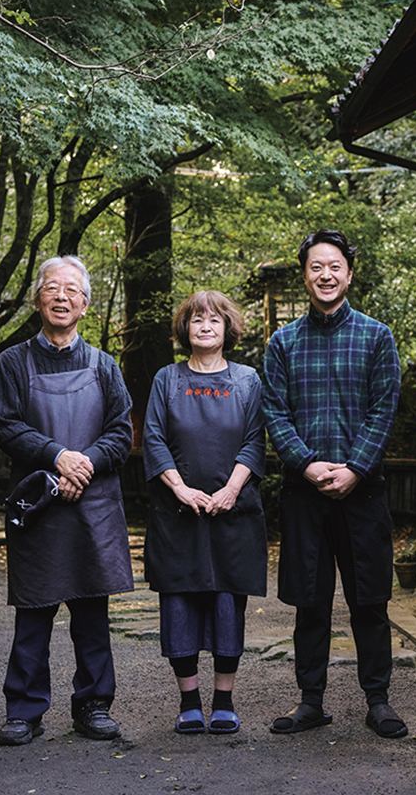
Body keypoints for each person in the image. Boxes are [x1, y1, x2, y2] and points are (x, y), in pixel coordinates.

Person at [262, 229, 407, 739]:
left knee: (370, 599)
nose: (325, 274)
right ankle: (311, 701)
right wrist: (306, 464)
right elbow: (274, 413)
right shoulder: (283, 342)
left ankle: (379, 700)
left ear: (349, 273)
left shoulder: (376, 336)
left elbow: (384, 408)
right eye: (315, 267)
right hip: (305, 495)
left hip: (362, 492)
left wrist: (354, 468)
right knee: (310, 600)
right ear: (305, 275)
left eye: (334, 266)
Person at [0, 255, 134, 746]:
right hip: (38, 507)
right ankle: (24, 712)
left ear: (86, 305)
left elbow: (121, 432)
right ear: (38, 299)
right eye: (52, 288)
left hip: (92, 504)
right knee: (34, 610)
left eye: (72, 290)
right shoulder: (12, 362)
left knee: (92, 611)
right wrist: (58, 458)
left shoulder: (104, 365)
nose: (61, 297)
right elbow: (9, 428)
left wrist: (83, 465)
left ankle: (94, 706)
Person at [142, 290, 267, 735]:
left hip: (234, 514)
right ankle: (189, 702)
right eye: (197, 320)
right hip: (179, 516)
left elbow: (256, 439)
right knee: (179, 604)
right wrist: (179, 488)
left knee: (228, 603)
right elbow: (153, 438)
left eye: (215, 319)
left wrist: (232, 488)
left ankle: (224, 702)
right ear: (185, 330)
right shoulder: (166, 379)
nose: (206, 326)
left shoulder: (249, 380)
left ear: (228, 328)